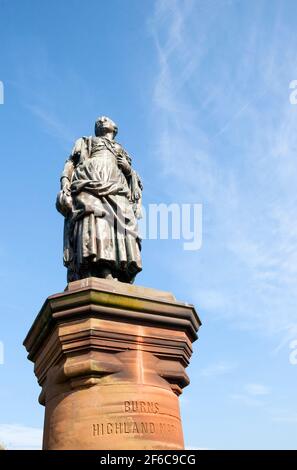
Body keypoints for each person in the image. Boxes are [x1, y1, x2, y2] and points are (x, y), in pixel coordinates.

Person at [56, 116, 142, 283]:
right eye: (99, 120)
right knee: (94, 221)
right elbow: (70, 163)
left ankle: (118, 268)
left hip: (116, 185)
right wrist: (65, 181)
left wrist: (128, 169)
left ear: (114, 128)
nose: (101, 119)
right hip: (88, 180)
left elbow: (136, 183)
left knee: (117, 226)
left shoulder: (121, 150)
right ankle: (97, 268)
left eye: (106, 119)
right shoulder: (85, 141)